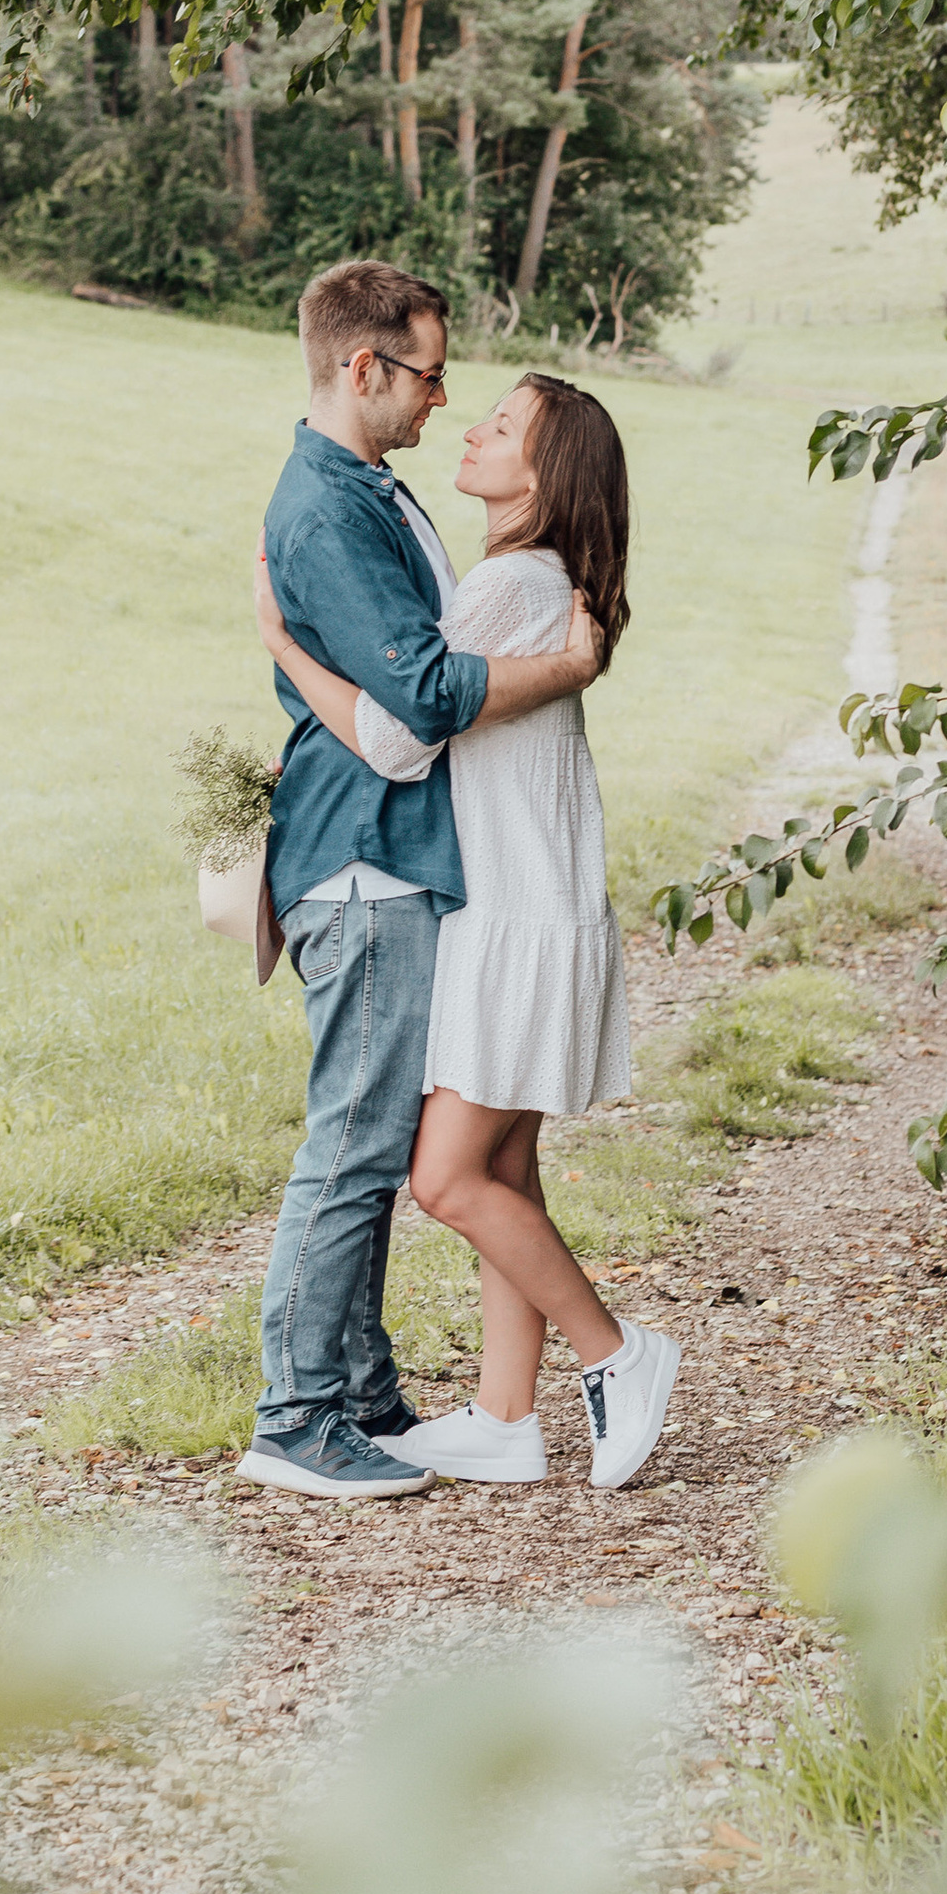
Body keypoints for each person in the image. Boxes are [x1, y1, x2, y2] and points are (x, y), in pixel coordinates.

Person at [255, 372, 681, 1494]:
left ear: (542, 476)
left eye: (502, 426)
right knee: (504, 1169)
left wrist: (286, 649)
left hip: (511, 918)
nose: (473, 426)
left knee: (444, 1179)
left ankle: (617, 1354)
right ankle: (502, 1418)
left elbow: (400, 741)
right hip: (539, 909)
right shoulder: (532, 582)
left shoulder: (509, 584)